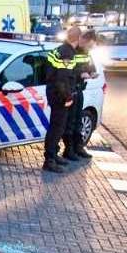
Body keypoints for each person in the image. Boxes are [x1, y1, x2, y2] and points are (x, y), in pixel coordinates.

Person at [43, 26, 81, 173]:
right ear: (78, 39)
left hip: (54, 92)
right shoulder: (67, 54)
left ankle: (53, 154)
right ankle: (50, 160)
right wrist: (68, 97)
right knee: (57, 128)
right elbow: (62, 79)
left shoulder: (59, 50)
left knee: (57, 127)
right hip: (59, 96)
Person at [63, 29, 97, 161]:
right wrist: (80, 74)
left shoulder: (86, 52)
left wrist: (92, 72)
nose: (89, 48)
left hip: (79, 89)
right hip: (70, 89)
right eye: (89, 45)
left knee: (78, 120)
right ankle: (69, 150)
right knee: (70, 122)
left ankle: (78, 147)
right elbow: (67, 69)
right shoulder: (70, 50)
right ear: (83, 39)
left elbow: (89, 65)